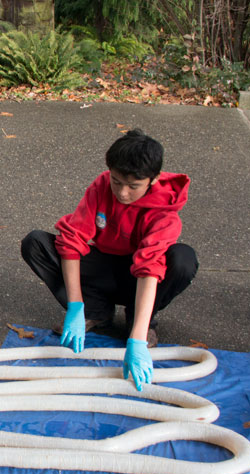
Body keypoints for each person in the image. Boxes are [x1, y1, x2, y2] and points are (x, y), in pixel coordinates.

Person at [20, 129, 198, 391]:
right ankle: (95, 312)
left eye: (133, 186)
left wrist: (136, 340)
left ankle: (139, 321)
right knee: (36, 243)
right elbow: (73, 240)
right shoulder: (102, 185)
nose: (122, 193)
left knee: (183, 259)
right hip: (104, 265)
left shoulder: (165, 210)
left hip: (137, 279)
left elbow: (149, 268)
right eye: (117, 182)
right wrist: (75, 307)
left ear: (154, 179)